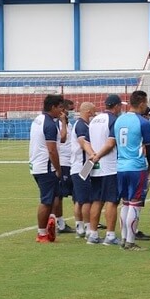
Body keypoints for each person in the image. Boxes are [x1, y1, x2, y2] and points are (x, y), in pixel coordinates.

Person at [114, 90, 150, 250]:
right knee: (136, 203)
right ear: (142, 103)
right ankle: (130, 241)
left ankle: (124, 238)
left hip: (121, 166)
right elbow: (149, 149)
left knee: (125, 203)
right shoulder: (143, 123)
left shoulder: (118, 121)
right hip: (136, 167)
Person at [86, 94, 123, 246]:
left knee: (97, 200)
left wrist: (93, 156)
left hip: (96, 166)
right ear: (116, 106)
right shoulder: (114, 120)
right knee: (111, 201)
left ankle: (93, 234)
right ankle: (110, 235)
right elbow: (110, 144)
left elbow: (87, 141)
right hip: (109, 166)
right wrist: (98, 156)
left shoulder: (94, 120)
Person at [29, 94, 64, 243]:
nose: (62, 111)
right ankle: (41, 233)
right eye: (60, 107)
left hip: (36, 164)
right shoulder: (49, 125)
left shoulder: (38, 120)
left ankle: (51, 220)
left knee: (53, 197)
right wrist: (58, 168)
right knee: (46, 200)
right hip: (46, 167)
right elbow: (52, 150)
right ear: (53, 107)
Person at [70, 101, 97, 239]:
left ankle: (79, 226)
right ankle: (86, 227)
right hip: (83, 166)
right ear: (88, 112)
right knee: (86, 199)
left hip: (80, 165)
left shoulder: (83, 124)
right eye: (93, 111)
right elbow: (82, 142)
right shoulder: (81, 125)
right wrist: (93, 154)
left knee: (79, 198)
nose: (95, 113)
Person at [52, 99, 76, 234]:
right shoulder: (57, 125)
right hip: (63, 162)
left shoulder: (69, 124)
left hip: (72, 162)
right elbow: (62, 139)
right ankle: (59, 223)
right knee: (58, 194)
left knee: (77, 194)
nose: (70, 113)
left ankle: (82, 222)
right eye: (69, 110)